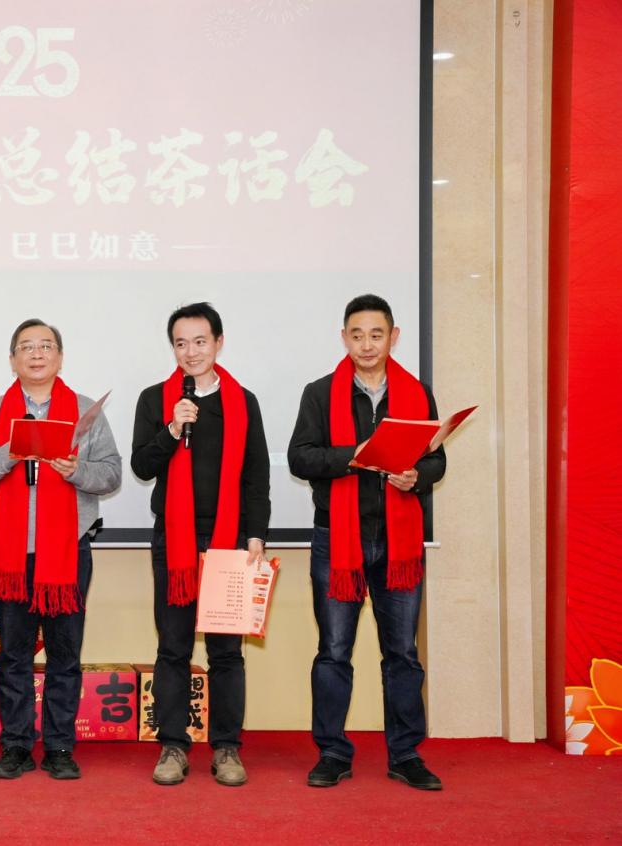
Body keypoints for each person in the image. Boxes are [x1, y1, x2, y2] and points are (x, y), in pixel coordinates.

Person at [287, 294, 446, 791]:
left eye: (376, 334)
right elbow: (300, 458)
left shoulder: (416, 394)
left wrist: (416, 477)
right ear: (344, 338)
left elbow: (437, 460)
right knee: (334, 651)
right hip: (338, 541)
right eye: (357, 335)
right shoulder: (319, 393)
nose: (367, 344)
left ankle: (406, 754)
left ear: (393, 337)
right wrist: (351, 457)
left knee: (403, 653)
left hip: (398, 545)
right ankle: (333, 753)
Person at [0, 318, 122, 780]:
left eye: (46, 346)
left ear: (60, 357)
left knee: (64, 655)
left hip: (68, 553)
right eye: (27, 347)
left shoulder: (85, 410)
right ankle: (15, 745)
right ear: (12, 360)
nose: (37, 354)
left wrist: (75, 470)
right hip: (10, 558)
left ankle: (59, 747)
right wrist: (7, 454)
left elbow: (112, 473)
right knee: (13, 656)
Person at [131, 302, 270, 787]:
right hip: (175, 540)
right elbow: (142, 466)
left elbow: (256, 474)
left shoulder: (243, 401)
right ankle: (173, 745)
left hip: (230, 541)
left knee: (227, 651)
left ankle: (227, 747)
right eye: (180, 343)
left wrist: (256, 535)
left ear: (218, 342)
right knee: (173, 646)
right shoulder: (156, 399)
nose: (190, 352)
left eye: (199, 341)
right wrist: (172, 428)